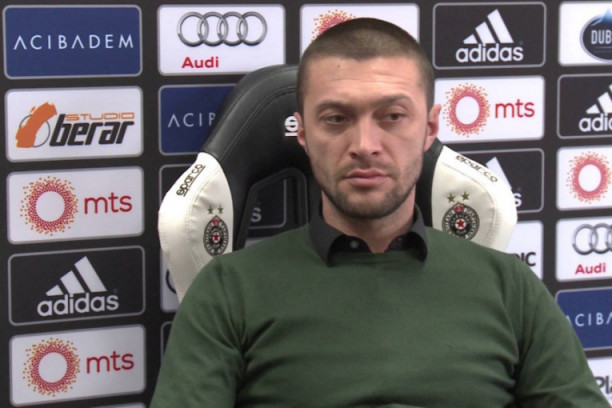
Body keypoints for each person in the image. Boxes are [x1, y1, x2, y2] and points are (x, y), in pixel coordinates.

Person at [151, 18, 607, 407]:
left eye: (392, 116)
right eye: (336, 118)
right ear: (303, 133)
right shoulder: (228, 291)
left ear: (429, 128)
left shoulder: (511, 288)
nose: (365, 145)